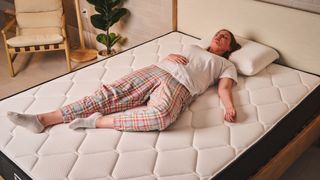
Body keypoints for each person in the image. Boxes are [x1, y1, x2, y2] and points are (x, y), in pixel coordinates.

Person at [7, 29, 241, 133]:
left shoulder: (225, 64)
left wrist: (229, 107)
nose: (220, 35)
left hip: (181, 86)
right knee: (106, 95)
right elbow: (182, 57)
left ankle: (96, 122)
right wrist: (166, 57)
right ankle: (42, 119)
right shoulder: (193, 46)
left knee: (162, 116)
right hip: (158, 69)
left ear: (229, 47)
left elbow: (224, 88)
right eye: (219, 33)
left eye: (226, 37)